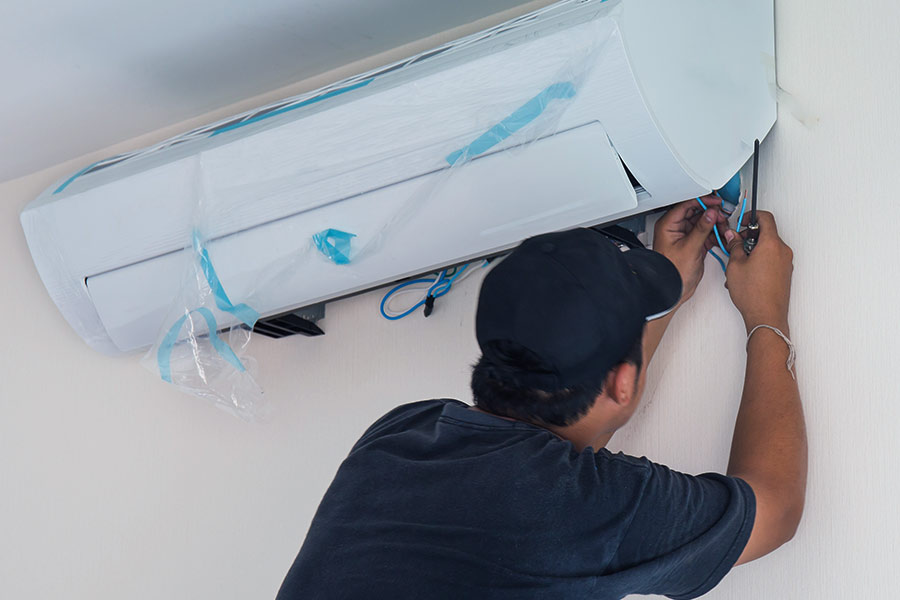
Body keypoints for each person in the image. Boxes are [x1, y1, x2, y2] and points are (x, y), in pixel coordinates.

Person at [276, 197, 806, 600]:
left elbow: (546, 463)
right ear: (621, 382)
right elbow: (774, 511)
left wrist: (650, 309)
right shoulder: (581, 505)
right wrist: (766, 316)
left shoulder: (400, 436)